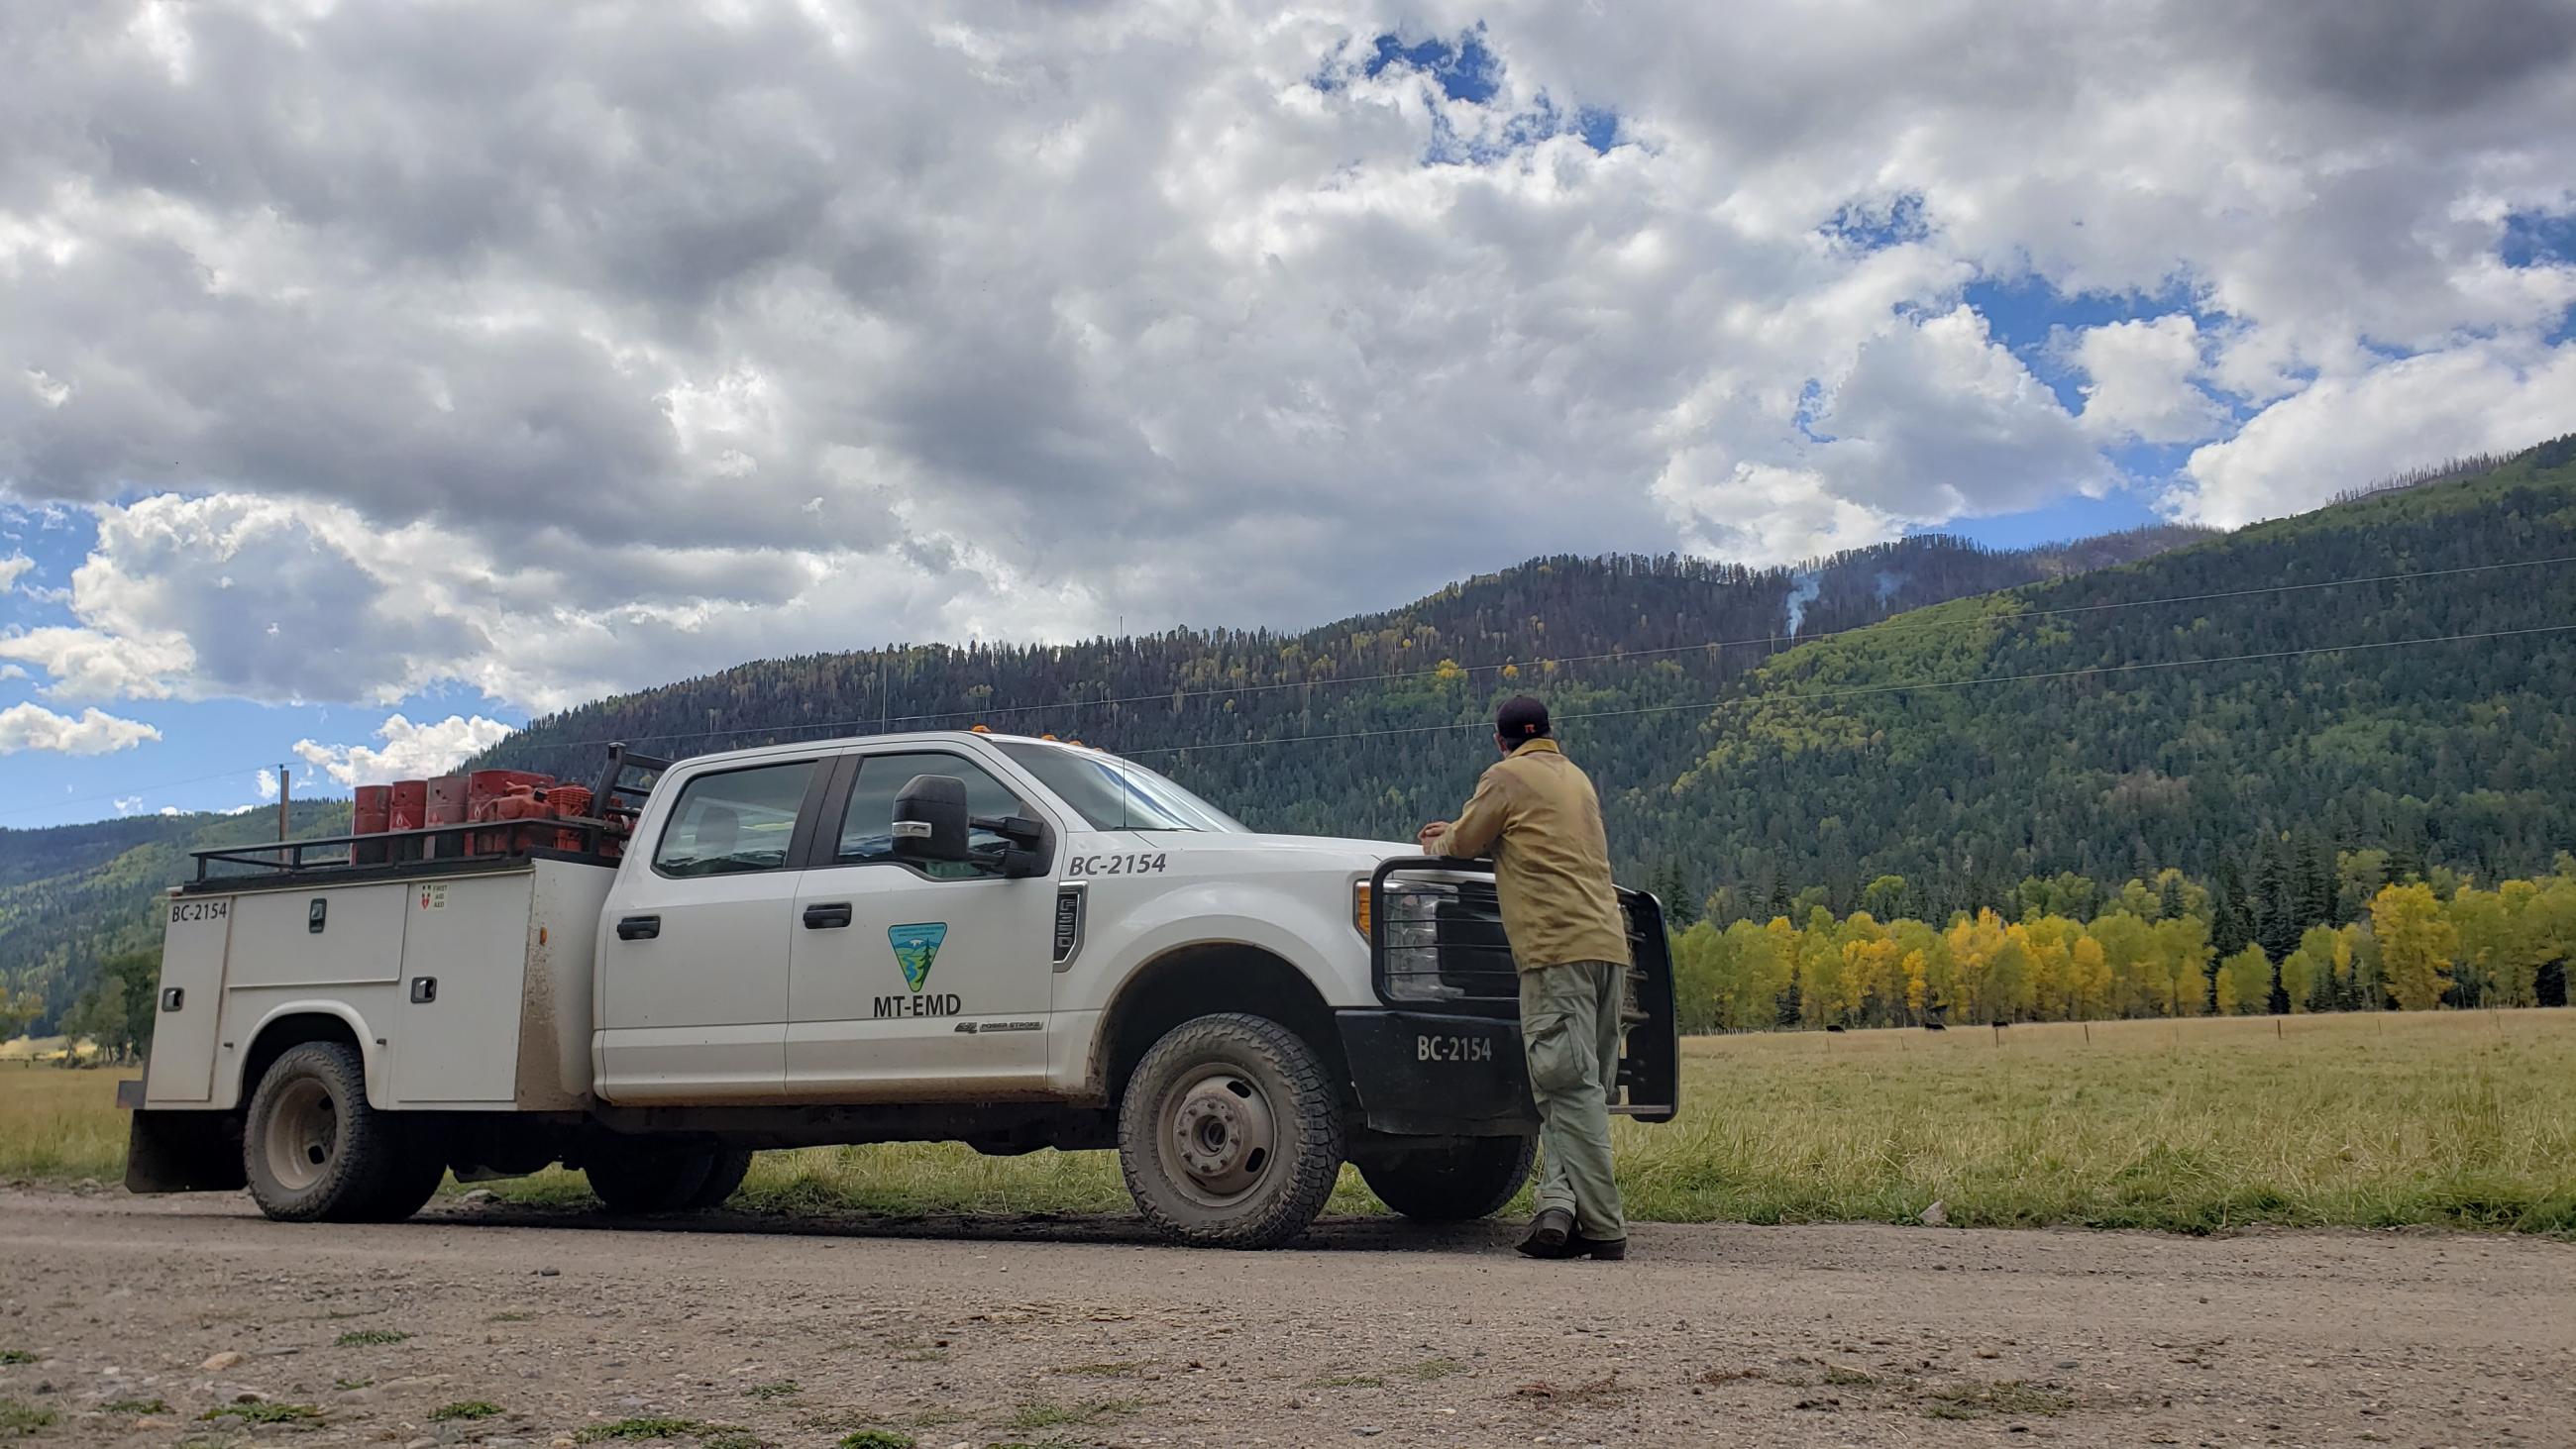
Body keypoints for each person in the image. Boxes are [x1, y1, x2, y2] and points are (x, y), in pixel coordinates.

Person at [1417, 696, 1631, 1260]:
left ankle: (1605, 1228)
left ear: (1499, 739)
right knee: (1583, 1093)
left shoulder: (1505, 777)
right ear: (1552, 733)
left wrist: (1439, 840)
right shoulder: (1578, 780)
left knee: (1564, 1086)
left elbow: (1461, 844)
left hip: (1554, 949)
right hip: (1609, 947)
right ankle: (1558, 1211)